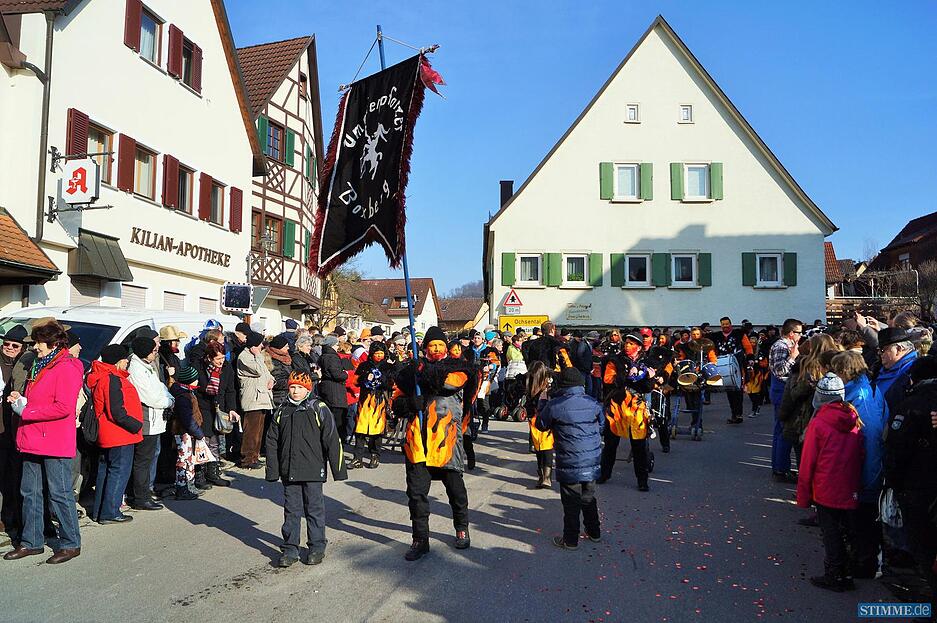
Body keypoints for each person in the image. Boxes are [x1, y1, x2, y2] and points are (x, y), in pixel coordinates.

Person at [4, 319, 83, 564]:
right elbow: (39, 399)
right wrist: (21, 399)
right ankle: (32, 542)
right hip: (32, 436)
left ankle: (71, 543)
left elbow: (63, 407)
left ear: (51, 343)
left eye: (37, 343)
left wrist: (27, 411)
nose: (34, 347)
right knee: (29, 492)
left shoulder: (68, 366)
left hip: (53, 438)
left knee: (59, 493)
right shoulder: (40, 363)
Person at [393, 326, 473, 561]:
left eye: (440, 345)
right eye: (432, 346)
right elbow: (395, 404)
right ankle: (420, 539)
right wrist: (410, 403)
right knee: (416, 495)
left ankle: (461, 528)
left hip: (447, 441)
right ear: (425, 348)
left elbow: (447, 384)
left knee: (455, 491)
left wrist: (421, 374)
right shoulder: (411, 372)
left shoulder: (458, 368)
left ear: (446, 348)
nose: (436, 349)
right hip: (418, 442)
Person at [265, 371, 347, 567]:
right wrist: (273, 470)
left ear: (308, 389)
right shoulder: (282, 410)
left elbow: (332, 439)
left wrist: (338, 469)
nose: (295, 391)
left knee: (314, 509)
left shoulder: (318, 408)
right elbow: (272, 441)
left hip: (313, 469)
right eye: (292, 387)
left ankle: (317, 546)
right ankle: (290, 548)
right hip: (289, 470)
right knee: (291, 511)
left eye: (300, 388)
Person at [796, 372, 863, 592]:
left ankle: (835, 573)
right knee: (847, 530)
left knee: (831, 532)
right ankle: (846, 572)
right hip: (849, 484)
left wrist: (803, 496)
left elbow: (807, 463)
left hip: (826, 486)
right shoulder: (853, 417)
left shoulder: (819, 423)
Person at [884, 355, 937, 614]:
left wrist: (893, 482)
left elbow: (896, 449)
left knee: (925, 548)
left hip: (919, 487)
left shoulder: (913, 404)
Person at [535, 367, 603, 550]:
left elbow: (541, 425)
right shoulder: (594, 403)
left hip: (569, 460)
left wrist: (542, 403)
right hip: (591, 459)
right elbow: (603, 426)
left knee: (571, 501)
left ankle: (571, 540)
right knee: (588, 496)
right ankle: (594, 532)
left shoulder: (555, 405)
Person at [830, 350, 884, 578]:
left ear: (844, 372)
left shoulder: (858, 397)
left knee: (862, 523)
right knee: (862, 522)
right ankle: (864, 560)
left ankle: (865, 564)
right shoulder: (869, 388)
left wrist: (863, 477)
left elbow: (869, 437)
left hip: (864, 472)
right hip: (865, 468)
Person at [87, 344, 143, 524]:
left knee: (106, 471)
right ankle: (110, 512)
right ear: (119, 361)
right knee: (119, 472)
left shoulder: (103, 376)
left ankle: (100, 511)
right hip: (119, 434)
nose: (127, 364)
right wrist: (135, 425)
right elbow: (117, 411)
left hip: (110, 433)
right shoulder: (111, 379)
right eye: (125, 361)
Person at [599, 333, 654, 489]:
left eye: (631, 343)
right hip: (617, 407)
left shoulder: (646, 361)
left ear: (638, 346)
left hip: (637, 408)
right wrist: (627, 375)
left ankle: (642, 481)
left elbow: (648, 388)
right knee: (610, 444)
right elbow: (608, 379)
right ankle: (604, 474)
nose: (627, 345)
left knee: (639, 447)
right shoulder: (615, 360)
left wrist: (649, 377)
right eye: (626, 343)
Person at [127, 337, 173, 511]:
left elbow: (161, 388)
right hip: (146, 421)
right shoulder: (137, 370)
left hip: (155, 420)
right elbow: (150, 397)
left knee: (147, 460)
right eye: (154, 350)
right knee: (143, 461)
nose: (156, 352)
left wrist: (169, 398)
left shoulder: (147, 367)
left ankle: (144, 492)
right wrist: (168, 402)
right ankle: (140, 497)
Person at [194, 341, 238, 488]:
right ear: (209, 357)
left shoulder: (226, 368)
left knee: (215, 441)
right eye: (218, 359)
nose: (221, 361)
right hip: (203, 407)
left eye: (223, 358)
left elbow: (231, 390)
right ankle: (199, 474)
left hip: (219, 408)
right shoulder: (199, 366)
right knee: (203, 442)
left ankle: (213, 472)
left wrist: (232, 409)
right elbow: (195, 387)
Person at [0, 324, 29, 545]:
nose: (9, 347)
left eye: (14, 345)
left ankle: (10, 517)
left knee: (13, 475)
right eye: (6, 344)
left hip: (15, 427)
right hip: (1, 427)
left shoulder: (25, 364)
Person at [351, 342, 395, 469]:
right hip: (365, 401)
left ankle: (375, 456)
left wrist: (383, 381)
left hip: (379, 400)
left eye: (381, 353)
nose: (379, 356)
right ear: (372, 353)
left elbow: (392, 384)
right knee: (360, 430)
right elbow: (355, 381)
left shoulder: (387, 366)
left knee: (377, 431)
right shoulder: (364, 365)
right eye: (377, 353)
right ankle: (357, 458)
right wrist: (365, 377)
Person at [769, 318, 803, 482]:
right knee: (784, 431)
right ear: (791, 333)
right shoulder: (781, 346)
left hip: (781, 390)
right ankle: (781, 469)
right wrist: (793, 357)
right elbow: (779, 371)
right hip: (781, 391)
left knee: (780, 430)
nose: (801, 335)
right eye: (799, 332)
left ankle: (779, 467)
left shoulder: (785, 346)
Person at [237, 332, 274, 469]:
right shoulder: (245, 357)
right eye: (260, 344)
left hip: (262, 397)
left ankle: (255, 456)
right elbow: (258, 370)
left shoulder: (255, 356)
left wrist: (271, 380)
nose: (262, 346)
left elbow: (266, 372)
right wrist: (258, 355)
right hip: (252, 398)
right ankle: (247, 459)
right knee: (251, 431)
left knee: (258, 431)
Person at [710, 317, 754, 424]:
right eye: (723, 324)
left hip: (737, 364)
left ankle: (739, 414)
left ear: (731, 324)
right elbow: (710, 348)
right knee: (729, 390)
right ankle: (734, 414)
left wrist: (750, 358)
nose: (725, 326)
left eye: (727, 324)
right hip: (723, 365)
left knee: (738, 390)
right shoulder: (716, 336)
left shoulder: (739, 334)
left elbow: (748, 347)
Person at [168, 366, 203, 500]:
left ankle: (188, 485)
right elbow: (187, 419)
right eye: (195, 379)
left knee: (189, 460)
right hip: (183, 434)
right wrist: (198, 433)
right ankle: (182, 488)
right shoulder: (183, 396)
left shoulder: (186, 392)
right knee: (183, 461)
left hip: (187, 433)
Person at [525, 361, 554, 488]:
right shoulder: (529, 381)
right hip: (534, 418)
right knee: (538, 448)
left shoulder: (550, 383)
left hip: (546, 418)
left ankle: (547, 477)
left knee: (546, 447)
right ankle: (541, 475)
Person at [317, 335, 349, 442]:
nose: (337, 347)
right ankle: (337, 444)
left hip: (327, 389)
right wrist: (346, 374)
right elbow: (337, 375)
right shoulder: (332, 357)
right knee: (338, 420)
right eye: (336, 345)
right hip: (335, 392)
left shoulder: (323, 356)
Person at [267, 334, 292, 408]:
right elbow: (277, 382)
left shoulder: (286, 358)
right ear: (279, 348)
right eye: (286, 346)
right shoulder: (274, 361)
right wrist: (293, 381)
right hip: (279, 397)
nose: (288, 348)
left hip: (286, 395)